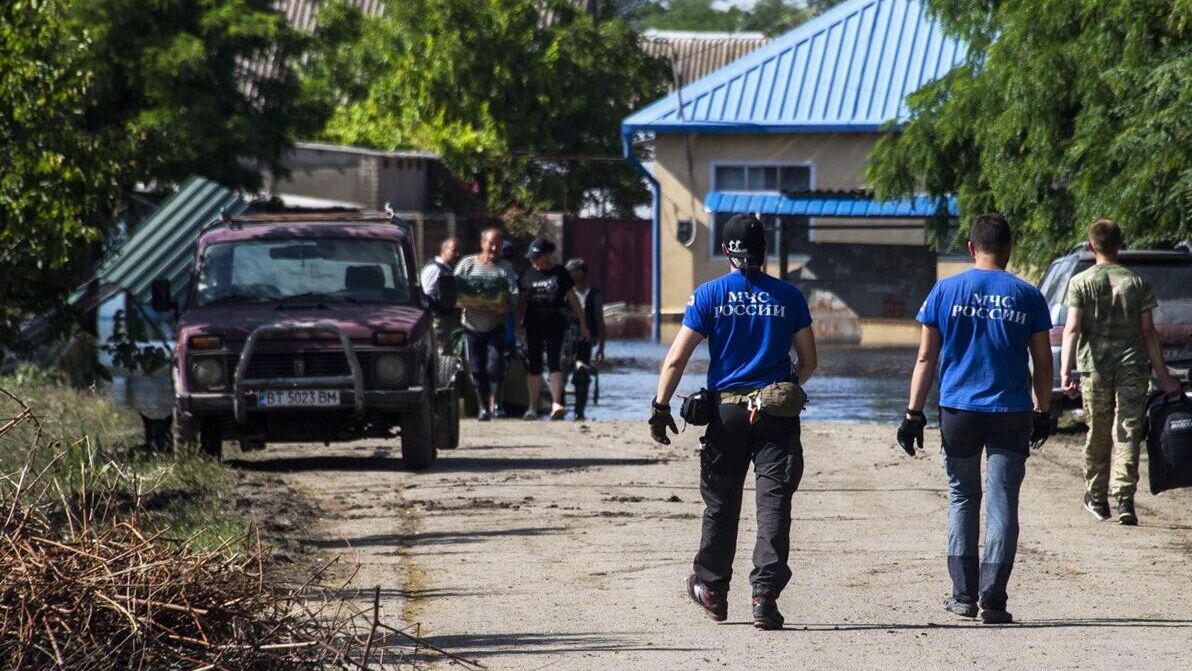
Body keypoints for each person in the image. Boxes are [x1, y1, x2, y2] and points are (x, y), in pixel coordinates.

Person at [649, 214, 817, 631]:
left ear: (726, 251)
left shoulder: (709, 294)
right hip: (776, 415)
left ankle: (712, 590)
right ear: (763, 252)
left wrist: (661, 406)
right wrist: (782, 387)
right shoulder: (789, 296)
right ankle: (764, 597)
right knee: (773, 505)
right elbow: (810, 361)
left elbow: (676, 358)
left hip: (726, 415)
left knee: (721, 505)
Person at [898, 213, 1054, 625]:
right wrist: (1045, 409)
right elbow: (1042, 362)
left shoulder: (945, 290)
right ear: (1009, 248)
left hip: (959, 412)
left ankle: (963, 596)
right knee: (1003, 500)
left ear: (971, 247)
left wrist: (913, 414)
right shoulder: (1029, 296)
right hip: (1011, 413)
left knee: (963, 497)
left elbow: (926, 358)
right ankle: (995, 601)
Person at [1060, 219, 1181, 525]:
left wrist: (1066, 371)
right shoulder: (1136, 283)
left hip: (1094, 368)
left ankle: (1097, 498)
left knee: (1098, 431)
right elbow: (1148, 334)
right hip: (1132, 368)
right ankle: (1125, 499)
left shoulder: (1080, 282)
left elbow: (1072, 327)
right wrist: (1165, 379)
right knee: (1127, 431)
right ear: (1120, 246)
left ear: (1091, 247)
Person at [515, 237, 590, 420]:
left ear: (548, 255)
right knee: (534, 365)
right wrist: (518, 324)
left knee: (555, 362)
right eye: (532, 258)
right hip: (533, 323)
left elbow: (572, 299)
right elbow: (522, 302)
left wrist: (583, 323)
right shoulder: (528, 273)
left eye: (537, 257)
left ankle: (556, 404)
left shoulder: (560, 273)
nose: (534, 261)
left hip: (555, 322)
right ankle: (532, 408)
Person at [455, 228, 518, 421]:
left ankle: (497, 404)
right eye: (490, 243)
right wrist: (459, 301)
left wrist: (507, 306)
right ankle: (483, 408)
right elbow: (452, 287)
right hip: (471, 326)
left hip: (495, 326)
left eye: (498, 244)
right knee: (476, 369)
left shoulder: (505, 267)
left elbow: (514, 292)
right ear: (482, 244)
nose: (494, 247)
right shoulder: (467, 264)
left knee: (495, 366)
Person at [564, 258, 606, 421]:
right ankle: (558, 407)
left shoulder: (594, 295)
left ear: (580, 273)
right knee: (560, 373)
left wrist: (601, 348)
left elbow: (600, 322)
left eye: (570, 272)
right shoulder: (564, 291)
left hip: (585, 342)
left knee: (582, 375)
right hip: (565, 341)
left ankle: (579, 412)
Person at [420, 237, 460, 355]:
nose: (457, 254)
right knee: (441, 352)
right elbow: (426, 294)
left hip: (445, 319)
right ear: (444, 250)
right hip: (437, 320)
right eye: (453, 251)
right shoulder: (435, 269)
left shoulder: (445, 269)